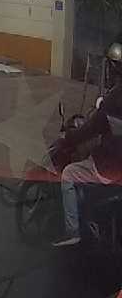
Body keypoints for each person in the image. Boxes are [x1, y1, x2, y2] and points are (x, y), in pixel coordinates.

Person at [51, 41, 122, 247]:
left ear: (113, 69)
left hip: (110, 167)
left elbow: (88, 131)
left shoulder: (113, 100)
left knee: (69, 174)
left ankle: (72, 231)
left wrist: (69, 137)